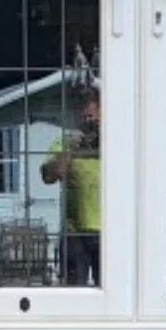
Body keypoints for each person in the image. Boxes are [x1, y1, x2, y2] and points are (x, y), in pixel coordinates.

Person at [41, 91, 102, 287]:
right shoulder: (65, 141)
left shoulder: (118, 143)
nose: (87, 122)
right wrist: (70, 149)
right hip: (74, 232)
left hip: (111, 230)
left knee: (116, 291)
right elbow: (50, 176)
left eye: (92, 118)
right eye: (84, 118)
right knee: (74, 291)